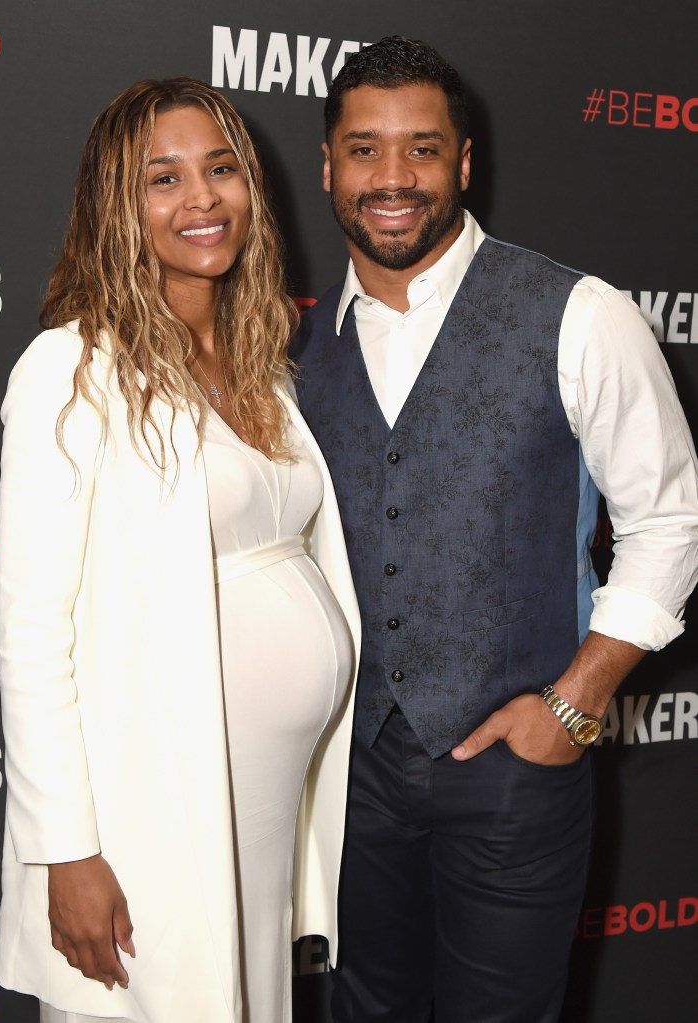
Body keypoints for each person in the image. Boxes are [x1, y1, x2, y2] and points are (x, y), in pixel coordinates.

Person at [292, 35, 698, 1023]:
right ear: (327, 166)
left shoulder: (578, 314)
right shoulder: (293, 349)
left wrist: (570, 705)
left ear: (462, 163)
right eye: (364, 150)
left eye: (421, 149)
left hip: (516, 773)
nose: (392, 177)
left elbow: (670, 517)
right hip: (345, 781)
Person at [0, 76, 360, 1023]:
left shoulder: (260, 367)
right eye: (164, 178)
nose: (201, 198)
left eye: (221, 168)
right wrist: (64, 850)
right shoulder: (71, 369)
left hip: (263, 803)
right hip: (151, 803)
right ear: (118, 205)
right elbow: (31, 630)